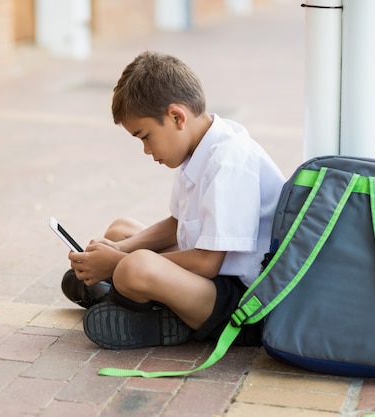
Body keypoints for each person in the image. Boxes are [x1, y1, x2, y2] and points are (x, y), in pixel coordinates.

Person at [61, 51, 285, 350]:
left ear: (176, 116)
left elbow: (207, 262)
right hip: (212, 278)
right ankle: (130, 296)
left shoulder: (229, 159)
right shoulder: (197, 147)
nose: (146, 150)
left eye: (145, 136)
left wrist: (118, 263)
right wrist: (118, 247)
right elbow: (177, 224)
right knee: (120, 229)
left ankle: (151, 308)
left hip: (243, 303)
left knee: (134, 267)